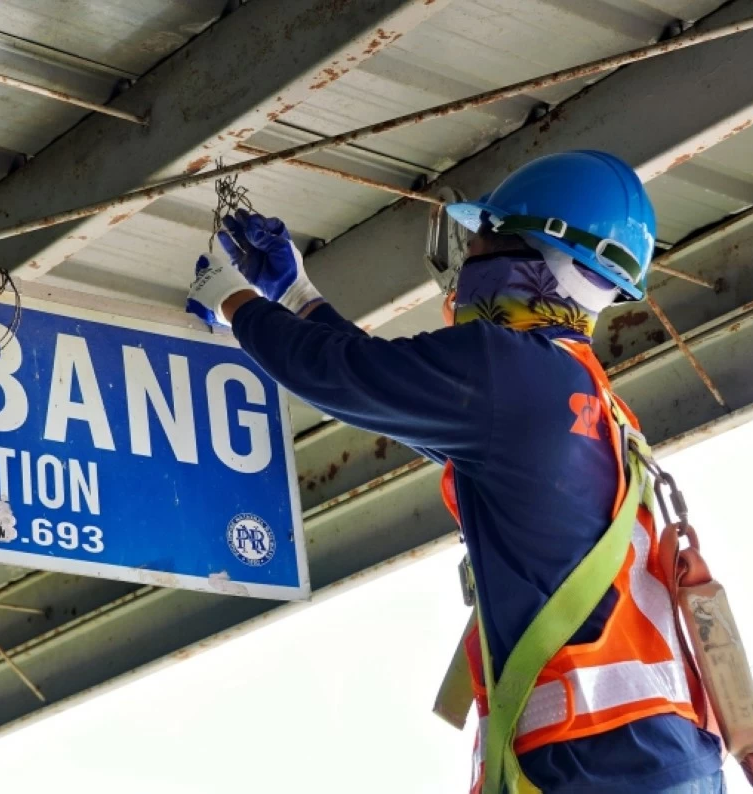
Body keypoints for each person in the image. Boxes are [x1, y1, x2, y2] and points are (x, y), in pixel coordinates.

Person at [186, 151, 725, 793]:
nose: (470, 260)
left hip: (596, 766)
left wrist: (234, 300)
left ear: (535, 256)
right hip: (662, 759)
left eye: (486, 239)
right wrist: (298, 298)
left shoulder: (509, 368)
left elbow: (341, 377)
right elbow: (387, 389)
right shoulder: (581, 394)